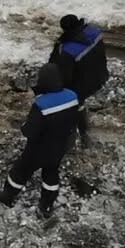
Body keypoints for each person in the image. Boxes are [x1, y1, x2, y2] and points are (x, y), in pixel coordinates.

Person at [0, 63, 79, 219]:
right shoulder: (72, 96)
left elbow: (30, 131)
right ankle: (46, 206)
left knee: (20, 170)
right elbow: (77, 118)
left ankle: (8, 196)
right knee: (51, 174)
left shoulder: (42, 104)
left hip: (39, 148)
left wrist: (23, 125)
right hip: (61, 146)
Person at [49, 14, 109, 149]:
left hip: (81, 85)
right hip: (100, 75)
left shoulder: (67, 50)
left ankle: (73, 140)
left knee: (72, 108)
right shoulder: (94, 32)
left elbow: (62, 74)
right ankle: (84, 135)